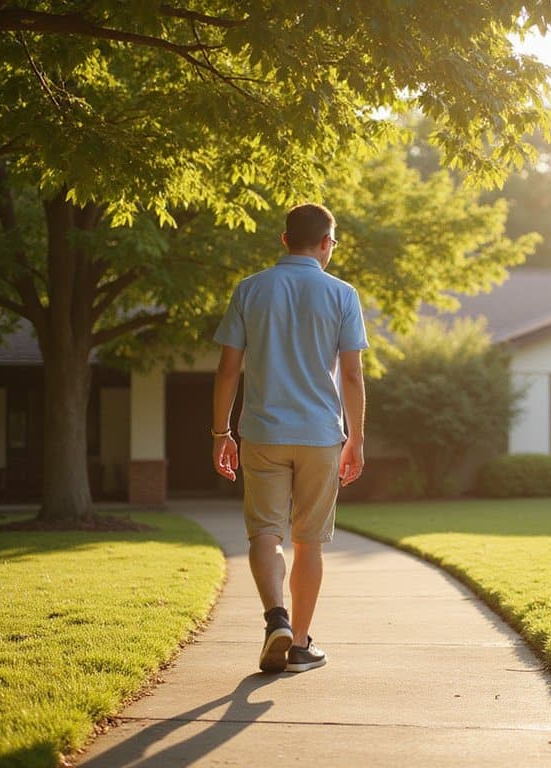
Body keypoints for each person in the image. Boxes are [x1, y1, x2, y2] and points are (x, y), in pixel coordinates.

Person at [210, 202, 368, 673]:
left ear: (283, 240)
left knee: (265, 531)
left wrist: (221, 432)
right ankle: (299, 644)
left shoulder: (250, 289)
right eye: (332, 243)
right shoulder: (342, 294)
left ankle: (274, 617)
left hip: (262, 432)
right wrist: (356, 439)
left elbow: (227, 369)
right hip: (320, 435)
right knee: (309, 541)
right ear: (326, 243)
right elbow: (354, 377)